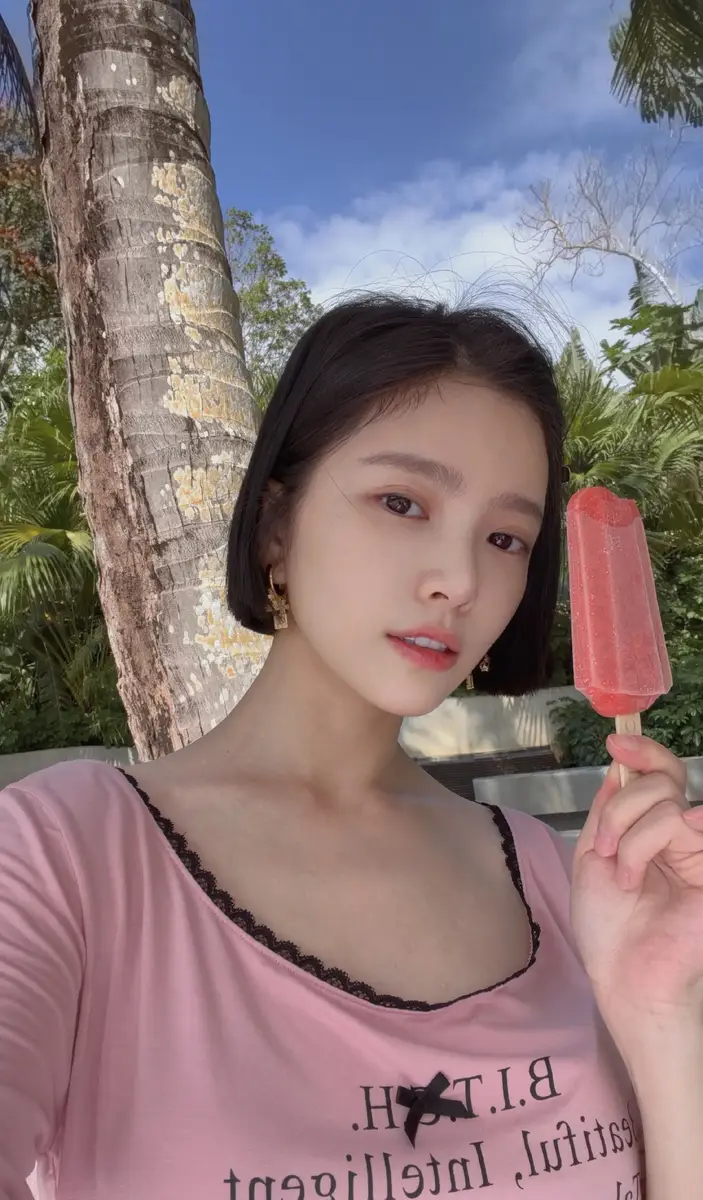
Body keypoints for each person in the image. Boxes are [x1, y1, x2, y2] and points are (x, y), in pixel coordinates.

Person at [1, 296, 702, 1200]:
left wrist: (659, 1009)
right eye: (401, 502)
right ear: (275, 526)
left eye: (505, 538)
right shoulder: (59, 857)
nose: (460, 579)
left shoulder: (558, 876)